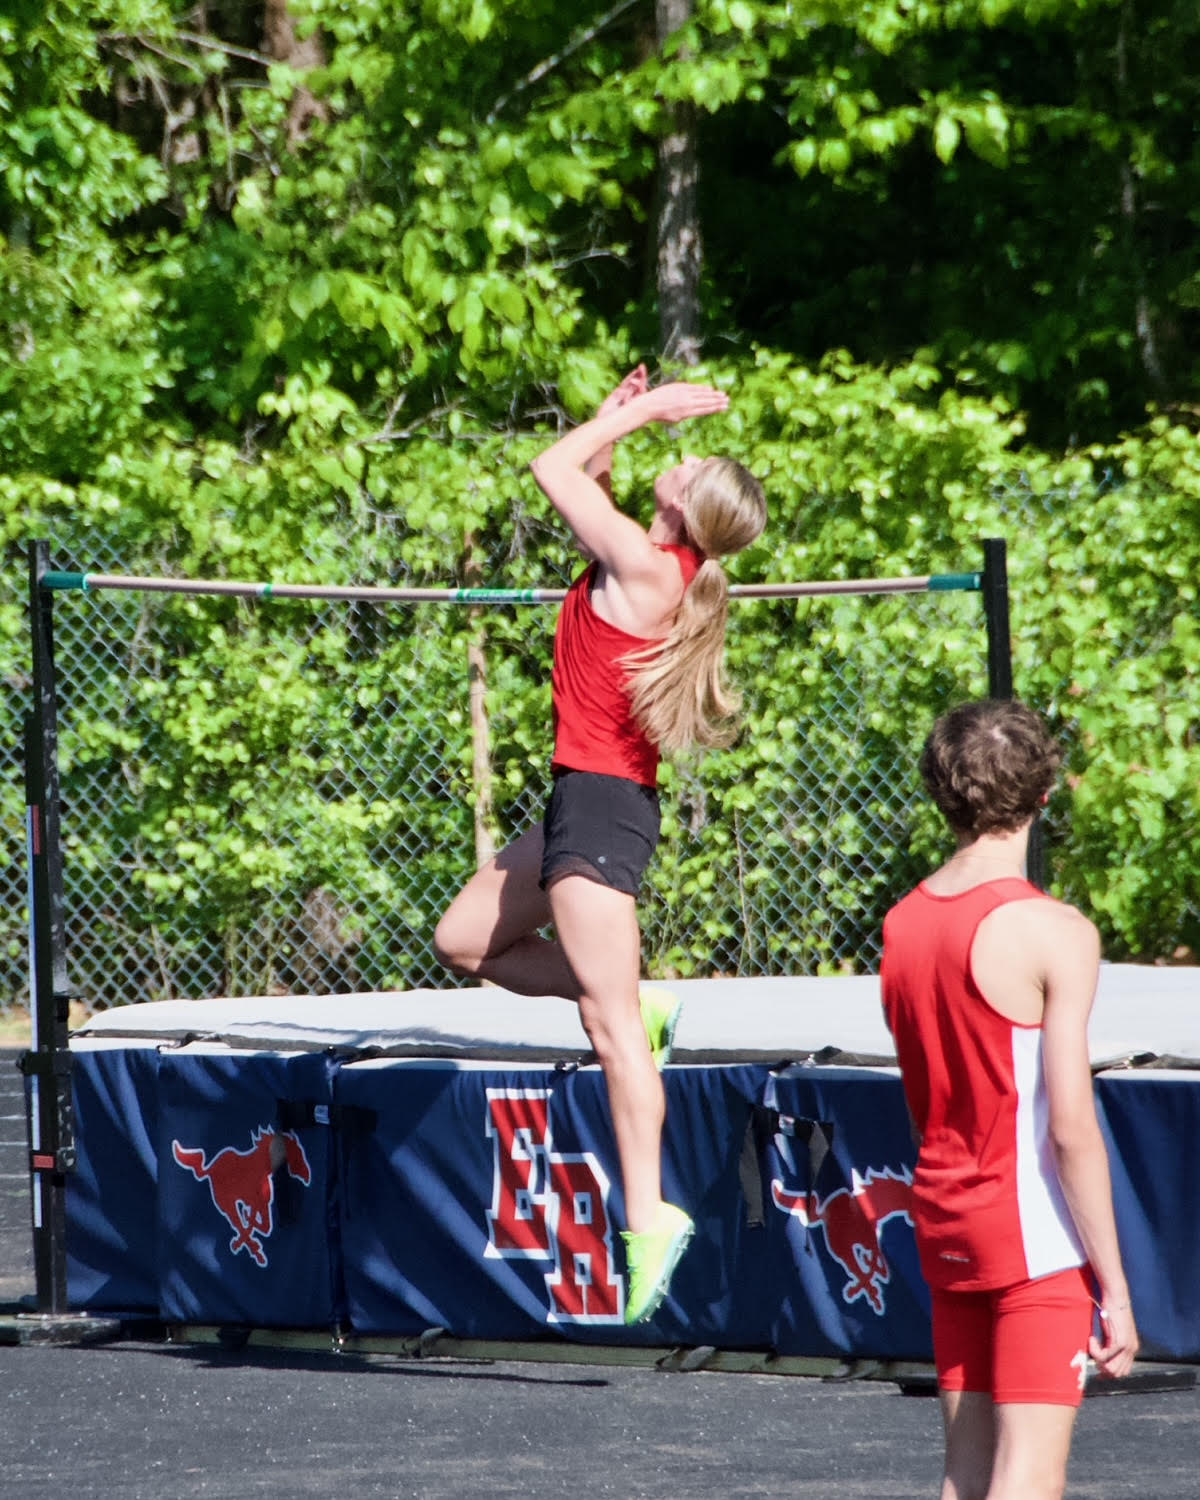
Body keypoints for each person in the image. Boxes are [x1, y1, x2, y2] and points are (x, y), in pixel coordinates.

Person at [434, 364, 766, 1324]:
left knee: (611, 1034)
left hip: (602, 810)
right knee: (464, 941)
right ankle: (632, 997)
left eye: (688, 455)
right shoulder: (652, 560)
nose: (682, 448)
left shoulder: (651, 565)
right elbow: (588, 479)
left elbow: (550, 465)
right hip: (582, 802)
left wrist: (643, 412)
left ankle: (648, 1215)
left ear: (688, 508)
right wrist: (620, 421)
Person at [880, 699, 1139, 1500]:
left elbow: (924, 1097)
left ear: (940, 793)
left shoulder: (904, 924)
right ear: (1043, 796)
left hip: (948, 1213)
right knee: (1028, 1477)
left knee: (965, 1473)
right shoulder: (1053, 931)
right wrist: (1118, 1289)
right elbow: (1071, 1128)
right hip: (1031, 1234)